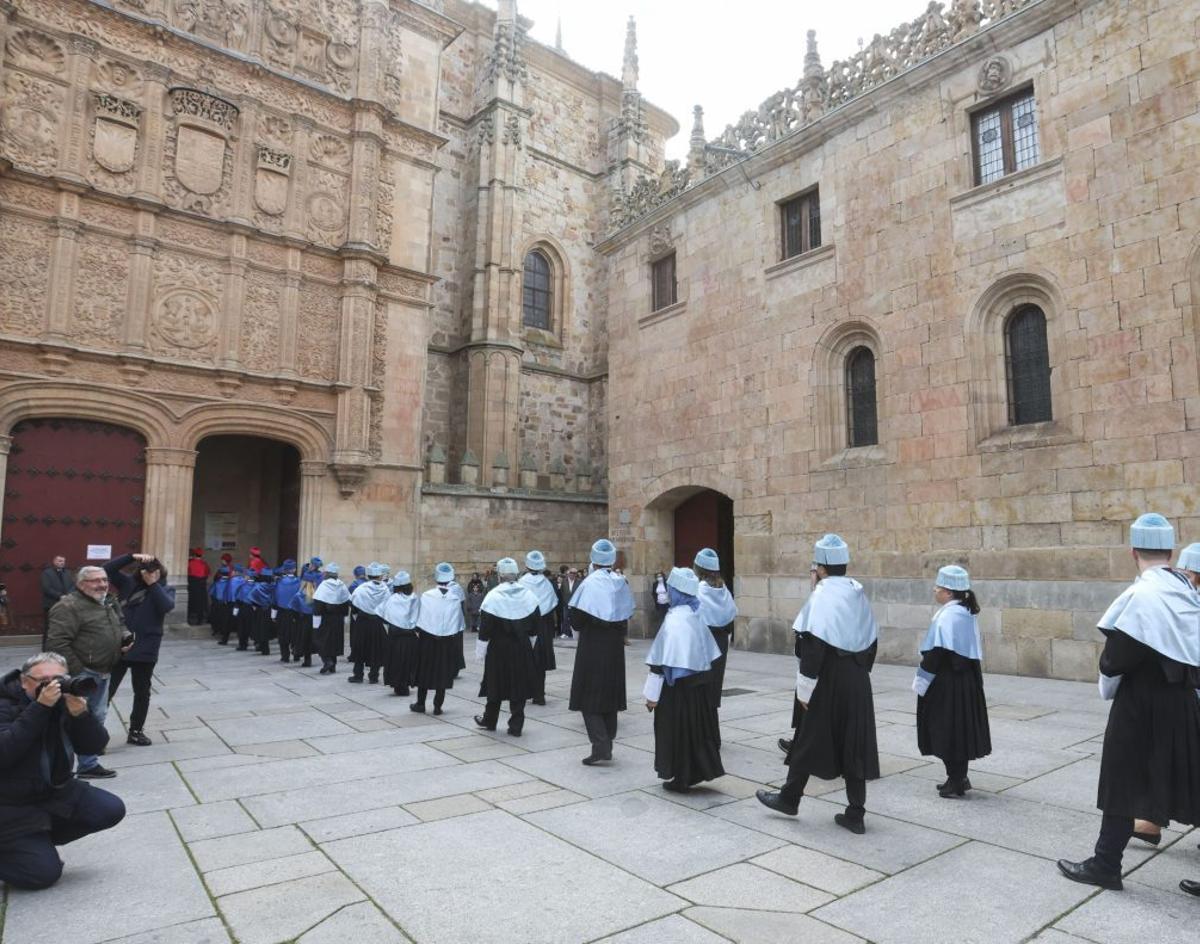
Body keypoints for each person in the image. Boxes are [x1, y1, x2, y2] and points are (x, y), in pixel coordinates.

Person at [1057, 513, 1200, 894]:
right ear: (1170, 550)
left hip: (1141, 702)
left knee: (1123, 779)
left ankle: (1105, 864)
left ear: (1132, 551)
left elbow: (1115, 659)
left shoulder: (1141, 596)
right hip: (1184, 700)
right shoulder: (1185, 589)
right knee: (1192, 779)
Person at [757, 534, 880, 834]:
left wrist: (805, 688)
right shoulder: (857, 593)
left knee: (807, 736)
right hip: (858, 680)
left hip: (828, 679)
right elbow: (872, 641)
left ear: (821, 567)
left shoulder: (822, 596)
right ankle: (855, 812)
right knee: (854, 743)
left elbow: (812, 648)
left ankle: (789, 798)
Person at [0, 652, 126, 889]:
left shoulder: (64, 703)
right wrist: (40, 708)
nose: (54, 685)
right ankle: (25, 849)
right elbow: (5, 753)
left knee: (110, 809)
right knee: (42, 875)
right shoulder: (5, 705)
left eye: (59, 678)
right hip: (10, 804)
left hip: (53, 792)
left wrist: (81, 715)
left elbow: (94, 745)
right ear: (24, 681)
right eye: (44, 680)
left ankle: (35, 843)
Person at [912, 565, 990, 798]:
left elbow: (936, 653)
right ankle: (959, 776)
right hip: (964, 682)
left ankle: (955, 780)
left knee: (945, 729)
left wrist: (921, 681)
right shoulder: (965, 612)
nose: (934, 590)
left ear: (947, 592)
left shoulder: (947, 616)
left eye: (938, 587)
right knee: (959, 730)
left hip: (947, 684)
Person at [643, 567, 724, 793]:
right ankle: (696, 772)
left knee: (676, 732)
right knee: (696, 731)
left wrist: (651, 696)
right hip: (698, 689)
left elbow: (659, 662)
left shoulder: (674, 620)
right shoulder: (694, 614)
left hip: (676, 691)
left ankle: (680, 777)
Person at [46, 565, 130, 780]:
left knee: (94, 720)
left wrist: (124, 639)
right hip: (82, 676)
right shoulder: (69, 606)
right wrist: (78, 674)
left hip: (103, 671)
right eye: (95, 580)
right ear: (81, 584)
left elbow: (118, 625)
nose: (102, 584)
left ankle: (88, 765)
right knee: (72, 721)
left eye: (104, 579)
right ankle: (62, 769)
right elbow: (56, 643)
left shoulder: (107, 601)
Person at [568, 539, 636, 765]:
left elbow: (576, 622)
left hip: (592, 647)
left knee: (588, 696)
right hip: (614, 648)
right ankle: (608, 741)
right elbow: (626, 615)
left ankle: (600, 745)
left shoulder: (588, 584)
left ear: (593, 559)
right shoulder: (620, 582)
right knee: (610, 694)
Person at [106, 555, 175, 747]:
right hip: (121, 645)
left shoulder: (164, 589)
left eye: (154, 570)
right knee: (108, 689)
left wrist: (153, 584)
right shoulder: (128, 584)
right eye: (146, 570)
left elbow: (167, 606)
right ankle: (96, 731)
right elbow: (107, 570)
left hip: (146, 647)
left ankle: (136, 731)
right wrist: (131, 557)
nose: (150, 573)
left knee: (142, 691)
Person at [476, 558, 540, 736]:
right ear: (516, 574)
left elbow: (485, 627)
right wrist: (531, 643)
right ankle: (516, 725)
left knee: (495, 683)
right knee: (518, 685)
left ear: (500, 576)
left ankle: (490, 719)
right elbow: (535, 625)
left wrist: (480, 651)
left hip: (499, 648)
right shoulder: (528, 595)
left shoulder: (493, 596)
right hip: (521, 646)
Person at [412, 563, 464, 715]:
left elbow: (418, 621)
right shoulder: (454, 598)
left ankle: (420, 703)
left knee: (425, 671)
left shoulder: (427, 596)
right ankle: (437, 706)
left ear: (436, 577)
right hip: (447, 642)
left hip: (427, 641)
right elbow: (458, 624)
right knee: (443, 672)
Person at [694, 549, 737, 712]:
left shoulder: (698, 590)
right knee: (715, 685)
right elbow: (732, 612)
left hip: (704, 642)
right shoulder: (723, 589)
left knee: (701, 687)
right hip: (721, 642)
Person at [519, 550, 559, 706]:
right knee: (540, 664)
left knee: (524, 661)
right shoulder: (547, 583)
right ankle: (539, 695)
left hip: (526, 626)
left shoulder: (521, 582)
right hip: (543, 627)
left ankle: (525, 691)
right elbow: (553, 604)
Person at [349, 562, 391, 684]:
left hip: (362, 622)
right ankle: (374, 676)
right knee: (376, 649)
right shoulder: (385, 589)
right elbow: (388, 607)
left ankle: (358, 675)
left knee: (359, 648)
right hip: (378, 622)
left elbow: (354, 606)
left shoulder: (361, 589)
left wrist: (357, 618)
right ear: (379, 576)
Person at [382, 572, 419, 697]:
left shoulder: (393, 599)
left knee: (396, 661)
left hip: (396, 637)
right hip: (411, 637)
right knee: (409, 661)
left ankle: (398, 685)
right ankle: (406, 684)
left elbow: (385, 617)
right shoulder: (415, 597)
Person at [312, 563, 350, 675]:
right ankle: (333, 665)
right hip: (338, 618)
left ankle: (327, 661)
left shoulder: (324, 586)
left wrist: (315, 622)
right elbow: (346, 602)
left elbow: (318, 604)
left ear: (327, 574)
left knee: (322, 640)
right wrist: (345, 617)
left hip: (326, 618)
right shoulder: (342, 585)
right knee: (335, 641)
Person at [40, 555, 74, 648]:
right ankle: (46, 647)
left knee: (65, 626)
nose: (61, 563)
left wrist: (68, 595)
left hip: (66, 604)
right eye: (59, 561)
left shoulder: (67, 572)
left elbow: (72, 585)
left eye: (63, 561)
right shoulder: (47, 573)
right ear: (54, 561)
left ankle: (60, 646)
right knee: (49, 626)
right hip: (51, 604)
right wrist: (60, 596)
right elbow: (46, 588)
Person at [273, 560, 300, 663]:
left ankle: (285, 656)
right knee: (295, 634)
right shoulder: (298, 582)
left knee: (282, 634)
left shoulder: (279, 582)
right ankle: (296, 654)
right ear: (294, 569)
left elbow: (275, 598)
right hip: (295, 612)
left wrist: (273, 613)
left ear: (284, 570)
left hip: (282, 611)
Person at [248, 568, 275, 656]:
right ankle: (266, 648)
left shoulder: (258, 586)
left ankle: (262, 647)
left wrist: (255, 605)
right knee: (267, 628)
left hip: (260, 610)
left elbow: (252, 597)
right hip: (270, 610)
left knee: (260, 628)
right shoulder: (274, 586)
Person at [185, 548, 210, 626]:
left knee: (191, 601)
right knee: (201, 603)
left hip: (192, 584)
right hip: (201, 585)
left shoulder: (190, 563)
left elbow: (187, 572)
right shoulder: (204, 564)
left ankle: (188, 618)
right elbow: (208, 573)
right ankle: (200, 619)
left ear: (195, 555)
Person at [209, 566, 231, 643]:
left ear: (221, 574)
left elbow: (211, 593)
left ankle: (217, 630)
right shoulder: (230, 582)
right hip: (227, 604)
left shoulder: (217, 583)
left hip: (218, 604)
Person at [558, 566, 580, 638]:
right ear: (568, 573)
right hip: (566, 603)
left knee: (575, 618)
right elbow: (561, 592)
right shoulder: (564, 581)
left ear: (576, 574)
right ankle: (565, 633)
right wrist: (564, 602)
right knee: (565, 618)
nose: (572, 574)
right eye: (571, 573)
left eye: (574, 573)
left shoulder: (579, 582)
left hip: (575, 604)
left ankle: (574, 633)